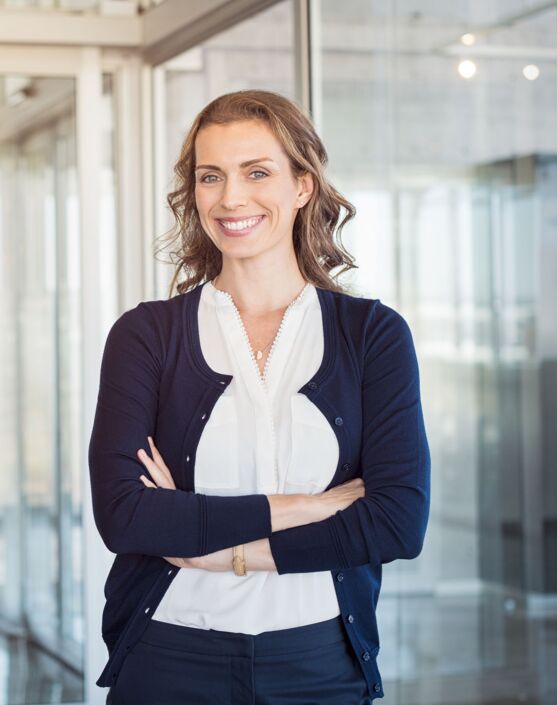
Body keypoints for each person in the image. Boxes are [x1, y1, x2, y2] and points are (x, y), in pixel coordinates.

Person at [88, 89, 431, 705]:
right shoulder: (147, 335)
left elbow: (398, 523)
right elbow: (126, 517)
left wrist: (226, 552)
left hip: (320, 663)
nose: (231, 198)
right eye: (210, 176)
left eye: (257, 172)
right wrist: (311, 505)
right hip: (169, 656)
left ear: (303, 185)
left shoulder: (372, 336)